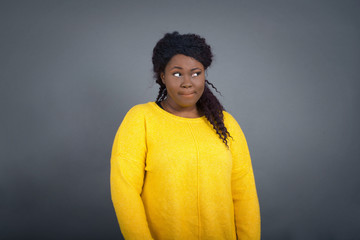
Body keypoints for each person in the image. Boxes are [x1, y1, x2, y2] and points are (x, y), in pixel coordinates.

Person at [110, 31, 260, 240]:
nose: (187, 82)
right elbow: (125, 192)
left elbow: (245, 195)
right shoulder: (141, 119)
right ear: (163, 76)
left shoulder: (225, 124)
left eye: (196, 73)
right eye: (177, 74)